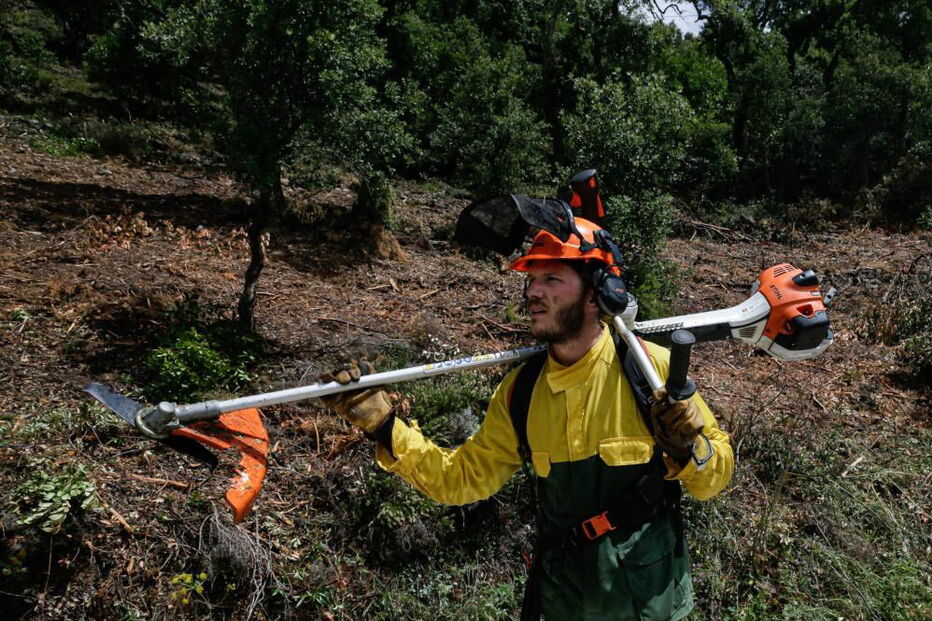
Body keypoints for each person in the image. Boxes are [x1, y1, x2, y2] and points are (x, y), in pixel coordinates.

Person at [322, 218, 734, 620]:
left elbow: (715, 479)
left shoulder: (651, 372)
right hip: (563, 604)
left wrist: (689, 449)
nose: (533, 291)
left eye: (551, 279)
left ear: (597, 295)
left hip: (650, 605)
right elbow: (461, 479)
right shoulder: (520, 393)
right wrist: (385, 427)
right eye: (531, 280)